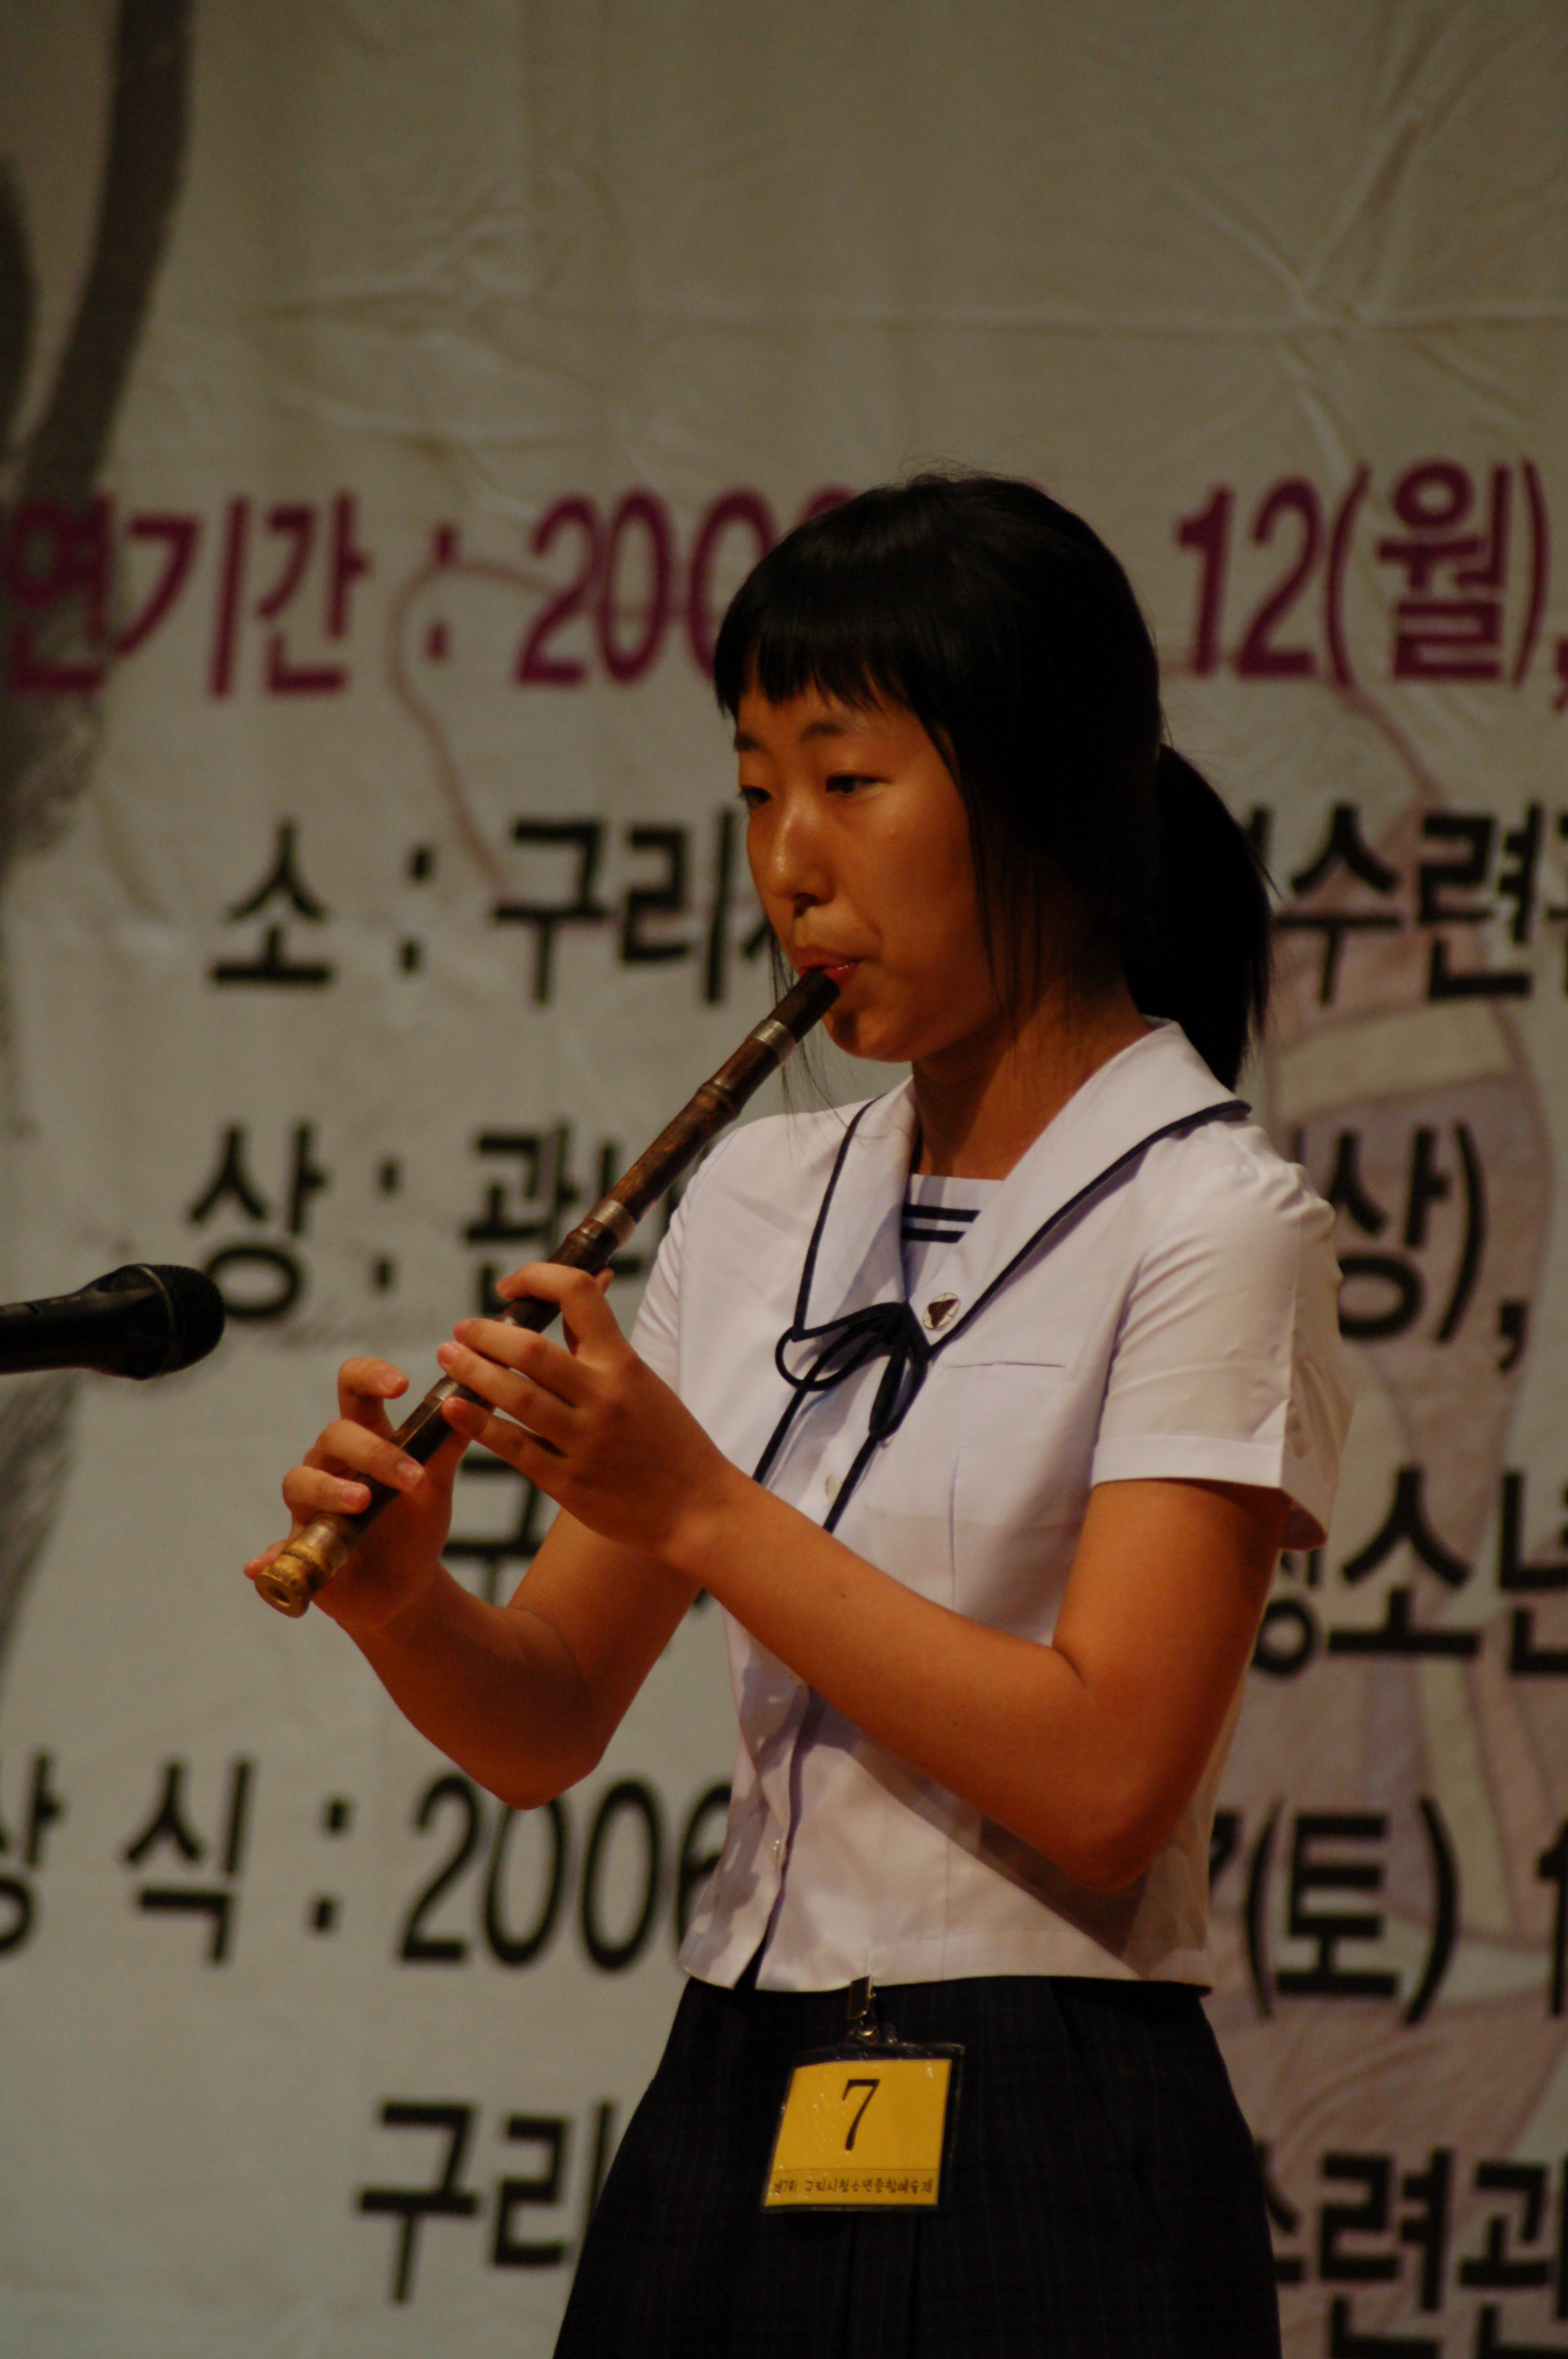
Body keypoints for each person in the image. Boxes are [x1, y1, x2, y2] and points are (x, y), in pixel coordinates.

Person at [250, 473, 1352, 2357]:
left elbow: (1109, 1787)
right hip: (735, 2075)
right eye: (756, 788)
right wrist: (403, 1602)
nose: (787, 860)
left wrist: (699, 1508)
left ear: (1042, 798)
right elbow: (545, 1720)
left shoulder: (1214, 1217)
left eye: (847, 781)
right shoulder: (762, 1195)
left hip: (1044, 2102)